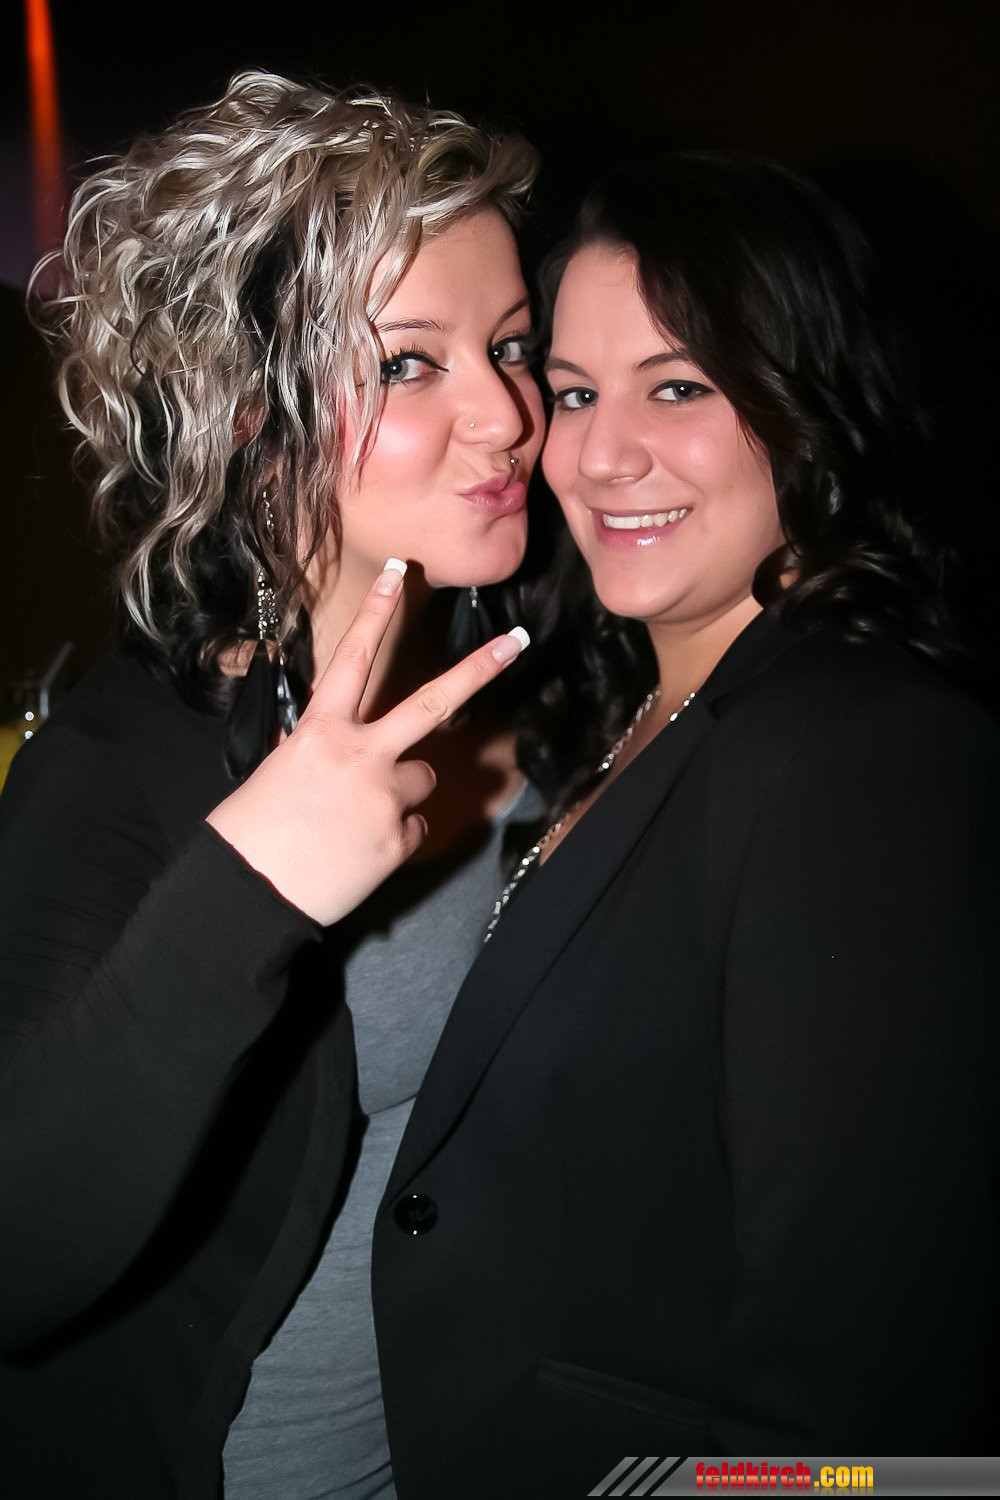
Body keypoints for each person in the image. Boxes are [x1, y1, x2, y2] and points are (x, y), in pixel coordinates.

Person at [369, 151, 1000, 1492]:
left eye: (679, 387)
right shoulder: (639, 714)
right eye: (575, 392)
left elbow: (862, 1417)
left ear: (813, 406)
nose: (599, 456)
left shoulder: (867, 755)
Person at [0, 69, 545, 1498]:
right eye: (411, 364)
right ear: (248, 409)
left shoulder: (525, 676)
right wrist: (251, 889)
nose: (507, 415)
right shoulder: (120, 767)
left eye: (511, 344)